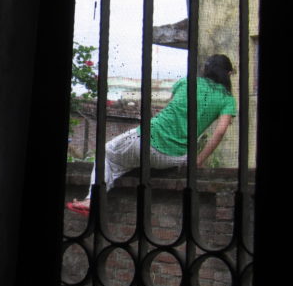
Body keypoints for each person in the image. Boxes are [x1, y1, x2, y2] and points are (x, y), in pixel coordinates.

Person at [66, 54, 237, 215]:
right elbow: (220, 131)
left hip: (145, 140)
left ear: (206, 70)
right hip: (175, 158)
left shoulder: (188, 82)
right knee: (129, 159)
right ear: (228, 74)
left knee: (107, 153)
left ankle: (92, 200)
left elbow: (173, 108)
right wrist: (199, 160)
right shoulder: (228, 100)